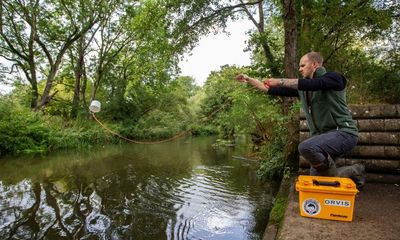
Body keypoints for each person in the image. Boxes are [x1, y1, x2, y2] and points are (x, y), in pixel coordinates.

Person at [235, 51, 365, 189]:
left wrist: (280, 81)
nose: (300, 69)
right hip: (322, 139)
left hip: (344, 133)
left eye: (303, 65)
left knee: (306, 147)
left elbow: (317, 84)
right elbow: (267, 89)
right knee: (317, 181)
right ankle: (355, 170)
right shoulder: (304, 90)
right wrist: (249, 79)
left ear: (314, 64)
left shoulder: (334, 78)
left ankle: (352, 171)